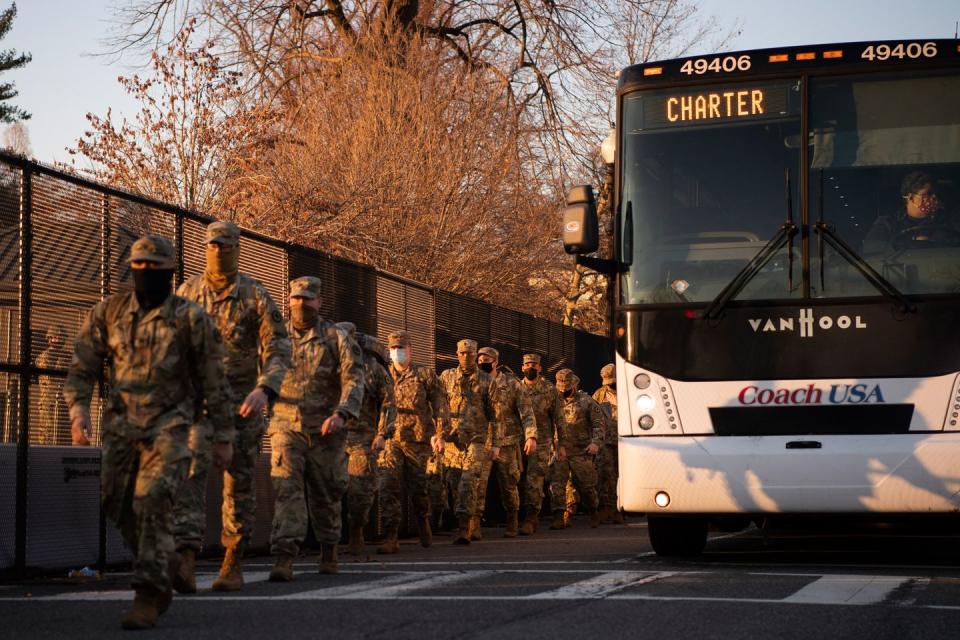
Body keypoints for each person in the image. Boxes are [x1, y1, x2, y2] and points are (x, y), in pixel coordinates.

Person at [64, 235, 235, 630]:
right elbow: (82, 366)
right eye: (139, 267)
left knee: (152, 501)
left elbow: (215, 381)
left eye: (154, 269)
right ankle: (166, 558)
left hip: (171, 427)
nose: (146, 274)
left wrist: (223, 436)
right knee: (116, 503)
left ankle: (146, 594)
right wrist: (78, 413)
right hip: (121, 427)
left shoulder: (190, 318)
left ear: (169, 274)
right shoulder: (109, 312)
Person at [172, 220, 291, 593]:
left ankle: (232, 560)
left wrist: (266, 389)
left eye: (225, 246)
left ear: (237, 247)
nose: (218, 252)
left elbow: (278, 347)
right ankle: (186, 558)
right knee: (189, 471)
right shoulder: (188, 293)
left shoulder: (255, 295)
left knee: (237, 485)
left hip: (243, 408)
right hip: (199, 406)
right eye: (212, 245)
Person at [267, 276, 363, 581]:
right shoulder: (276, 335)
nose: (301, 304)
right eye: (296, 299)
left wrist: (342, 413)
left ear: (319, 302)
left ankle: (328, 549)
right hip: (287, 426)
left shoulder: (336, 338)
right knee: (287, 491)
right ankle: (284, 556)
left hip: (327, 430)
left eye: (307, 299)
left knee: (327, 493)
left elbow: (354, 378)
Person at [377, 330, 447, 554]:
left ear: (410, 350)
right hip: (390, 439)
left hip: (417, 441)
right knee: (388, 485)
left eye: (401, 348)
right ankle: (390, 536)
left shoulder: (424, 375)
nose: (397, 352)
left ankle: (423, 519)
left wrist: (439, 433)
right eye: (394, 349)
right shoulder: (382, 375)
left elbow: (440, 404)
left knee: (419, 488)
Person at [336, 322, 396, 556]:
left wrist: (383, 433)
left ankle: (356, 533)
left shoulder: (372, 369)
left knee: (359, 493)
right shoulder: (327, 365)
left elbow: (389, 403)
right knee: (327, 490)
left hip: (363, 439)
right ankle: (328, 544)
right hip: (332, 439)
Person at [474, 347, 536, 538]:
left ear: (495, 361)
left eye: (487, 359)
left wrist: (531, 436)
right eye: (481, 359)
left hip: (507, 441)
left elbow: (526, 412)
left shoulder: (511, 383)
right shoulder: (474, 381)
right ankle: (474, 524)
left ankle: (512, 519)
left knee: (509, 483)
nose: (483, 362)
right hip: (481, 441)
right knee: (477, 484)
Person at [439, 339, 497, 544]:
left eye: (470, 354)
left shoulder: (486, 380)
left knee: (468, 482)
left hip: (476, 440)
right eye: (462, 353)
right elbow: (439, 407)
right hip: (452, 441)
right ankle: (466, 519)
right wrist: (438, 435)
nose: (466, 357)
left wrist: (495, 444)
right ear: (457, 354)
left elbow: (494, 415)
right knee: (454, 483)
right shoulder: (446, 377)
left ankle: (466, 527)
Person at [517, 353, 566, 536]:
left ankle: (531, 518)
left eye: (534, 365)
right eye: (527, 364)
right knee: (516, 479)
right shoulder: (516, 388)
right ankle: (516, 517)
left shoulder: (549, 390)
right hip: (517, 440)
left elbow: (559, 419)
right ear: (522, 367)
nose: (530, 367)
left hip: (542, 442)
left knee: (534, 479)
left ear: (539, 368)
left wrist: (561, 444)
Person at [548, 369, 603, 530]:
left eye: (567, 387)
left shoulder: (587, 402)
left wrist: (596, 443)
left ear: (574, 385)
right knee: (557, 485)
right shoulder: (552, 401)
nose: (564, 391)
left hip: (581, 451)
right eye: (561, 388)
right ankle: (559, 515)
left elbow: (599, 425)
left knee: (587, 487)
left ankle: (593, 511)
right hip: (559, 451)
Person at [863, 171, 960, 253]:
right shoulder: (887, 223)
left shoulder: (950, 221)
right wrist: (909, 244)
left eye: (936, 194)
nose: (934, 197)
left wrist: (935, 244)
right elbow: (870, 248)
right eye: (928, 194)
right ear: (910, 197)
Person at [592, 363, 623, 525]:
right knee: (607, 474)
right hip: (607, 441)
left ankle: (621, 508)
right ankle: (607, 508)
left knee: (624, 475)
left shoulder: (629, 393)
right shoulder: (599, 395)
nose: (611, 385)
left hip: (627, 441)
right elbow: (593, 416)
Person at [37, 326, 69, 445]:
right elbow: (50, 378)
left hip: (64, 403)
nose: (59, 340)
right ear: (50, 338)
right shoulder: (45, 356)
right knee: (49, 437)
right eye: (56, 337)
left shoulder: (67, 356)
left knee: (63, 437)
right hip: (50, 404)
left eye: (61, 337)